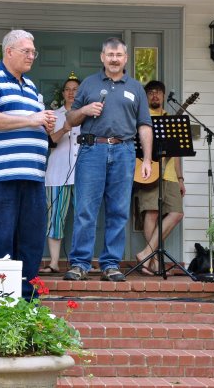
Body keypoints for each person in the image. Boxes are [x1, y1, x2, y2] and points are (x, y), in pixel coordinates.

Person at [0, 29, 57, 299]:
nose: (32, 56)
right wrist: (31, 120)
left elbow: (31, 122)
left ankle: (26, 304)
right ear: (8, 51)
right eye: (26, 51)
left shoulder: (30, 87)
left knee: (31, 243)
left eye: (34, 52)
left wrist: (45, 124)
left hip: (32, 177)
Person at [63, 37, 153, 282]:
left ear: (126, 58)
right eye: (110, 55)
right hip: (92, 150)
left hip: (124, 151)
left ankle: (111, 264)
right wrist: (84, 110)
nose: (114, 59)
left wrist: (146, 159)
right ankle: (80, 263)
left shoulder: (136, 88)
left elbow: (144, 125)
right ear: (102, 57)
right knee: (85, 210)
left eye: (119, 55)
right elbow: (70, 119)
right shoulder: (89, 84)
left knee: (118, 211)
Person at [134, 81, 185, 275]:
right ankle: (154, 262)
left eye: (158, 93)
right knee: (152, 213)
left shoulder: (170, 119)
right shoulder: (141, 117)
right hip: (149, 171)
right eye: (151, 93)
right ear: (146, 96)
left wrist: (180, 178)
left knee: (177, 213)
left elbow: (176, 153)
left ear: (163, 96)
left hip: (170, 174)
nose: (155, 95)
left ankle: (146, 253)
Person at [40, 74, 82, 274]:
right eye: (68, 89)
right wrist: (64, 129)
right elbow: (49, 143)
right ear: (63, 93)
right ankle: (54, 262)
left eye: (75, 89)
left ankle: (80, 262)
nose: (71, 93)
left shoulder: (87, 115)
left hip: (83, 174)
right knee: (56, 218)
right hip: (57, 173)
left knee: (84, 218)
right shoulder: (54, 116)